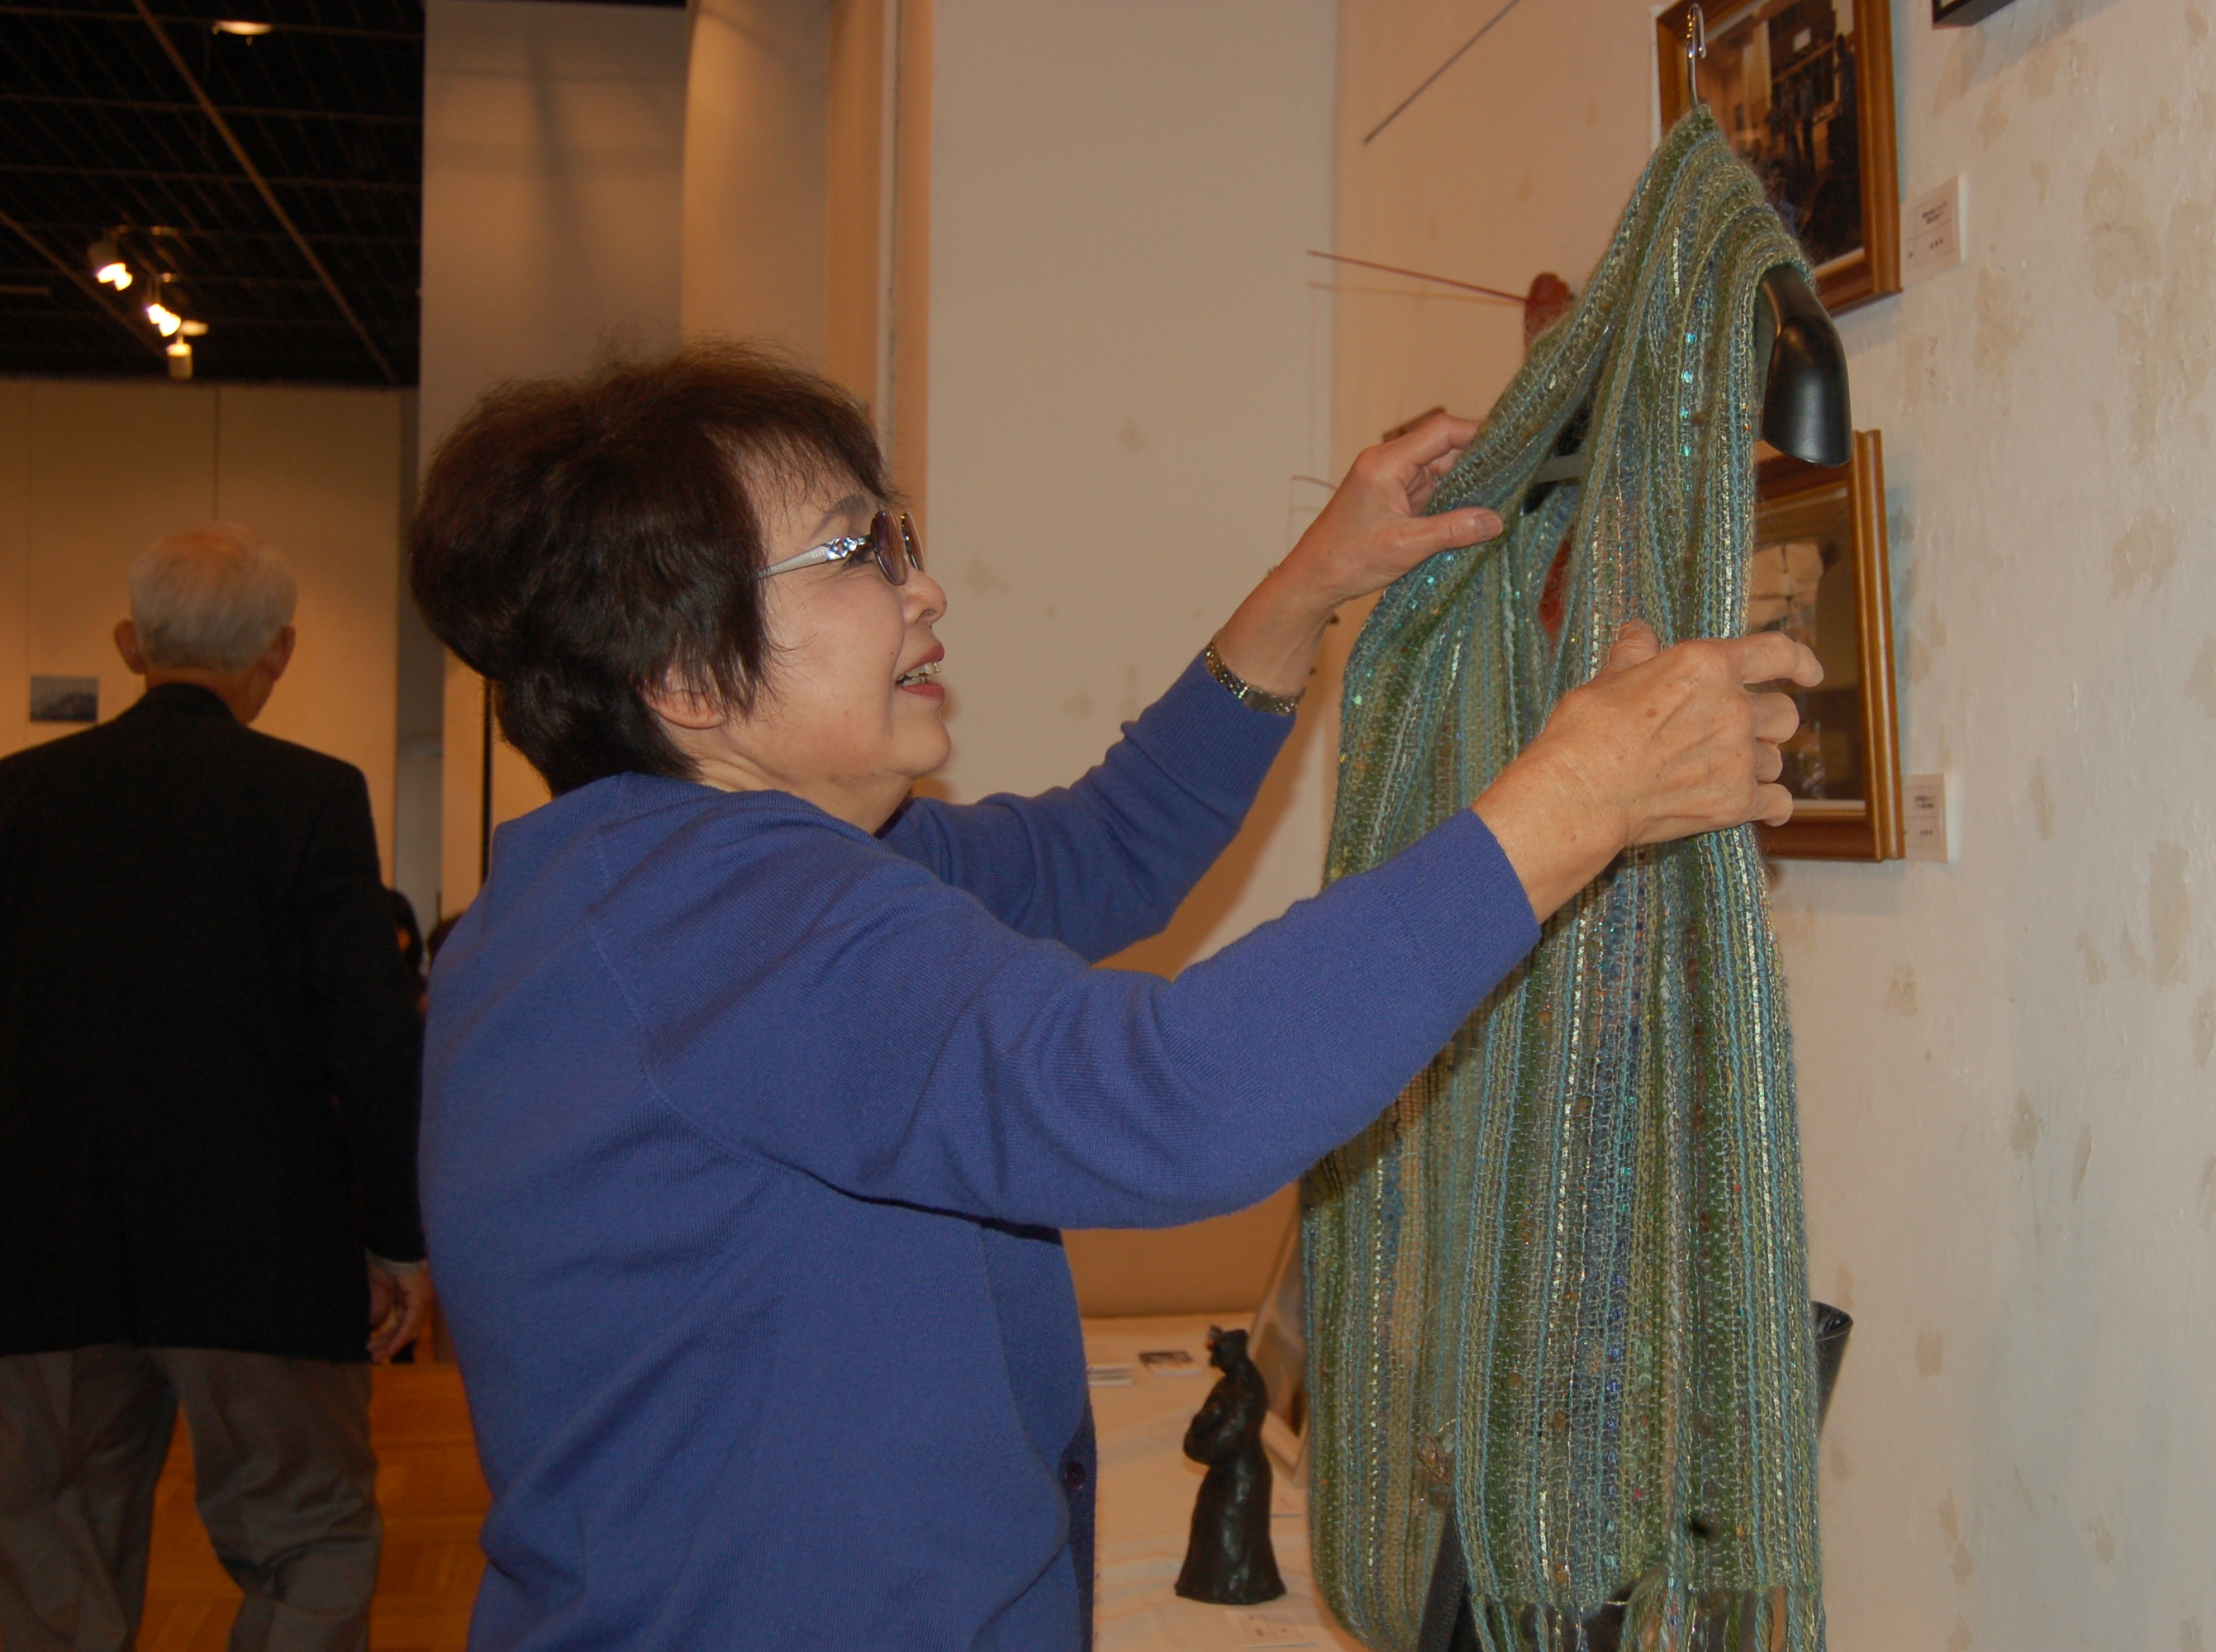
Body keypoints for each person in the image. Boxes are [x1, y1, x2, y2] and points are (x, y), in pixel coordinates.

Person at [410, 344, 1819, 1651]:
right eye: (856, 551)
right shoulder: (724, 922)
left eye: (899, 535)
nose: (923, 587)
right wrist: (1576, 802)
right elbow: (1174, 1099)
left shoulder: (648, 892)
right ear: (681, 676)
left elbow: (1104, 852)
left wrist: (1312, 584)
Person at [0, 525, 430, 1652]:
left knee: (48, 1562)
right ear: (279, 651)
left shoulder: (17, 796)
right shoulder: (310, 797)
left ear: (129, 645)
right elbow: (370, 1036)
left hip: (43, 1249)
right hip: (260, 1250)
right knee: (308, 1541)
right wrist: (397, 1237)